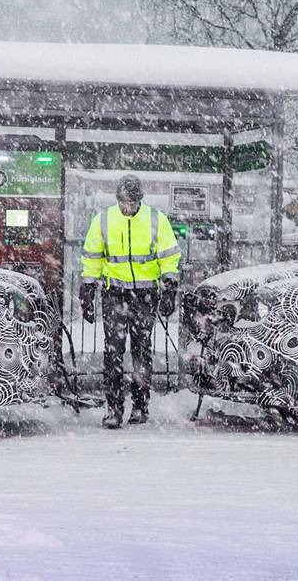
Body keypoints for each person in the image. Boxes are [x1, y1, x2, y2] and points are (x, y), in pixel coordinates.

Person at [79, 174, 181, 429]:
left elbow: (169, 255)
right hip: (115, 293)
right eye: (124, 202)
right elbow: (93, 256)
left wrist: (169, 287)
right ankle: (113, 409)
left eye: (132, 202)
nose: (128, 207)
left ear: (140, 200)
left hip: (146, 295)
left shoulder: (156, 220)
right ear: (117, 200)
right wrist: (88, 288)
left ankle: (139, 406)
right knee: (112, 353)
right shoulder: (103, 220)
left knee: (141, 351)